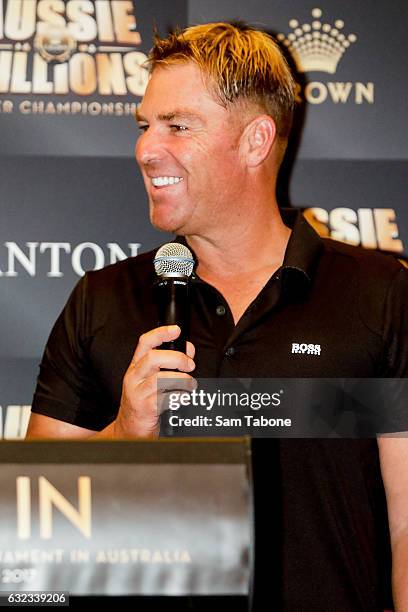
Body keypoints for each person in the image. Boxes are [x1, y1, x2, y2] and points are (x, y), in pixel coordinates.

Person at [26, 22, 408, 610]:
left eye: (178, 126)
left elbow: (407, 526)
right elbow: (37, 551)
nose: (147, 149)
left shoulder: (379, 294)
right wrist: (126, 434)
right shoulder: (103, 299)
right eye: (145, 126)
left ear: (256, 141)